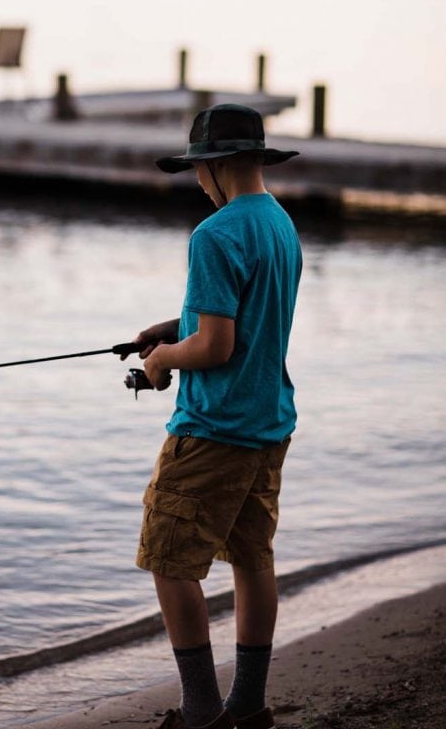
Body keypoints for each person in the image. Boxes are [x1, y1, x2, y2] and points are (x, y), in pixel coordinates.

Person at [123, 103, 301, 729]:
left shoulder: (214, 234)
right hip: (268, 424)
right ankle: (247, 707)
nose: (198, 182)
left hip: (213, 430)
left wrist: (162, 360)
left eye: (200, 170)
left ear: (221, 167)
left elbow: (216, 348)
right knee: (254, 560)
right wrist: (176, 326)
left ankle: (200, 711)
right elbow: (250, 319)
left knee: (168, 561)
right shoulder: (279, 223)